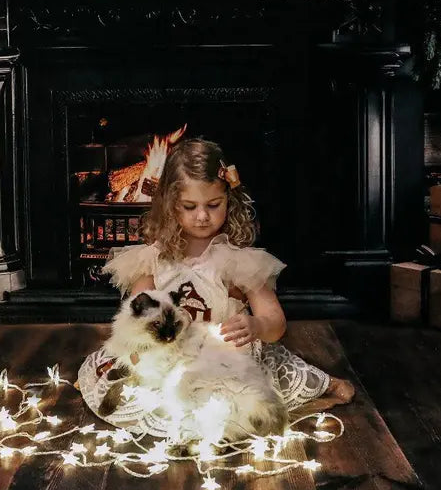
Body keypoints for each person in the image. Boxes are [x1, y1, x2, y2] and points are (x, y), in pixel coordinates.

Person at [77, 137, 354, 433]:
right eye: (189, 206)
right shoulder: (153, 259)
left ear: (229, 200)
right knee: (139, 382)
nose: (202, 216)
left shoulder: (239, 261)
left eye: (213, 205)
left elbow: (276, 323)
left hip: (223, 358)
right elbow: (137, 317)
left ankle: (325, 383)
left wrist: (257, 325)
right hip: (171, 356)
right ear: (171, 205)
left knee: (262, 379)